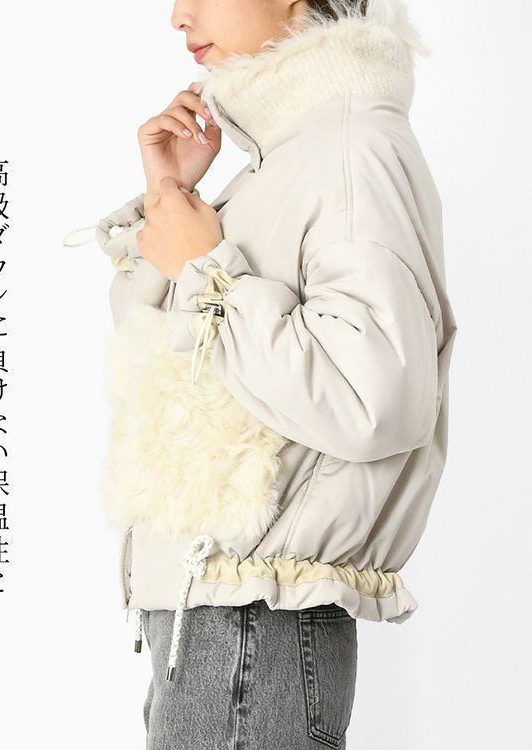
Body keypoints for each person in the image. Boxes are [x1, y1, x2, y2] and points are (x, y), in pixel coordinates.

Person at [63, 0, 458, 747]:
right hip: (217, 615)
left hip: (253, 624)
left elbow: (373, 398)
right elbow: (172, 368)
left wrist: (207, 270)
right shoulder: (284, 160)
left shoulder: (352, 146)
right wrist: (171, 203)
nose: (179, 16)